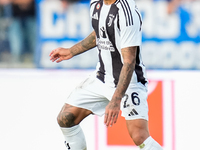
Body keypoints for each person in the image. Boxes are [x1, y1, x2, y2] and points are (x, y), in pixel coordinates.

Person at [49, 0, 163, 149]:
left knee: (139, 136)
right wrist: (72, 51)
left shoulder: (126, 11)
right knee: (65, 118)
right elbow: (101, 32)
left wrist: (116, 99)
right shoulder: (95, 3)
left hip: (129, 82)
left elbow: (129, 62)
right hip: (101, 77)